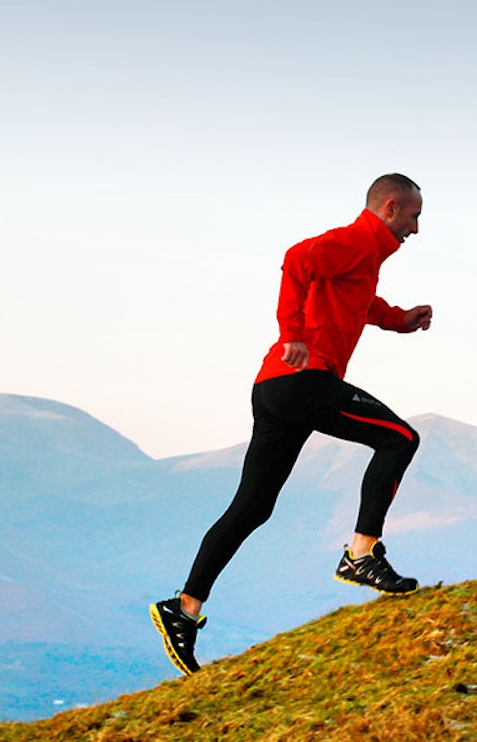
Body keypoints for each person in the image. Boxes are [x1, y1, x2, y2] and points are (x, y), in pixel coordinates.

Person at [151, 173, 432, 676]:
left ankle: (184, 608)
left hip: (274, 388)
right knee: (399, 438)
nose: (415, 229)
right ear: (391, 208)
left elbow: (356, 301)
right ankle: (361, 554)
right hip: (303, 378)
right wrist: (292, 334)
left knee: (252, 507)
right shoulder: (354, 239)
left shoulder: (363, 257)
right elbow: (297, 260)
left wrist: (398, 319)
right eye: (413, 217)